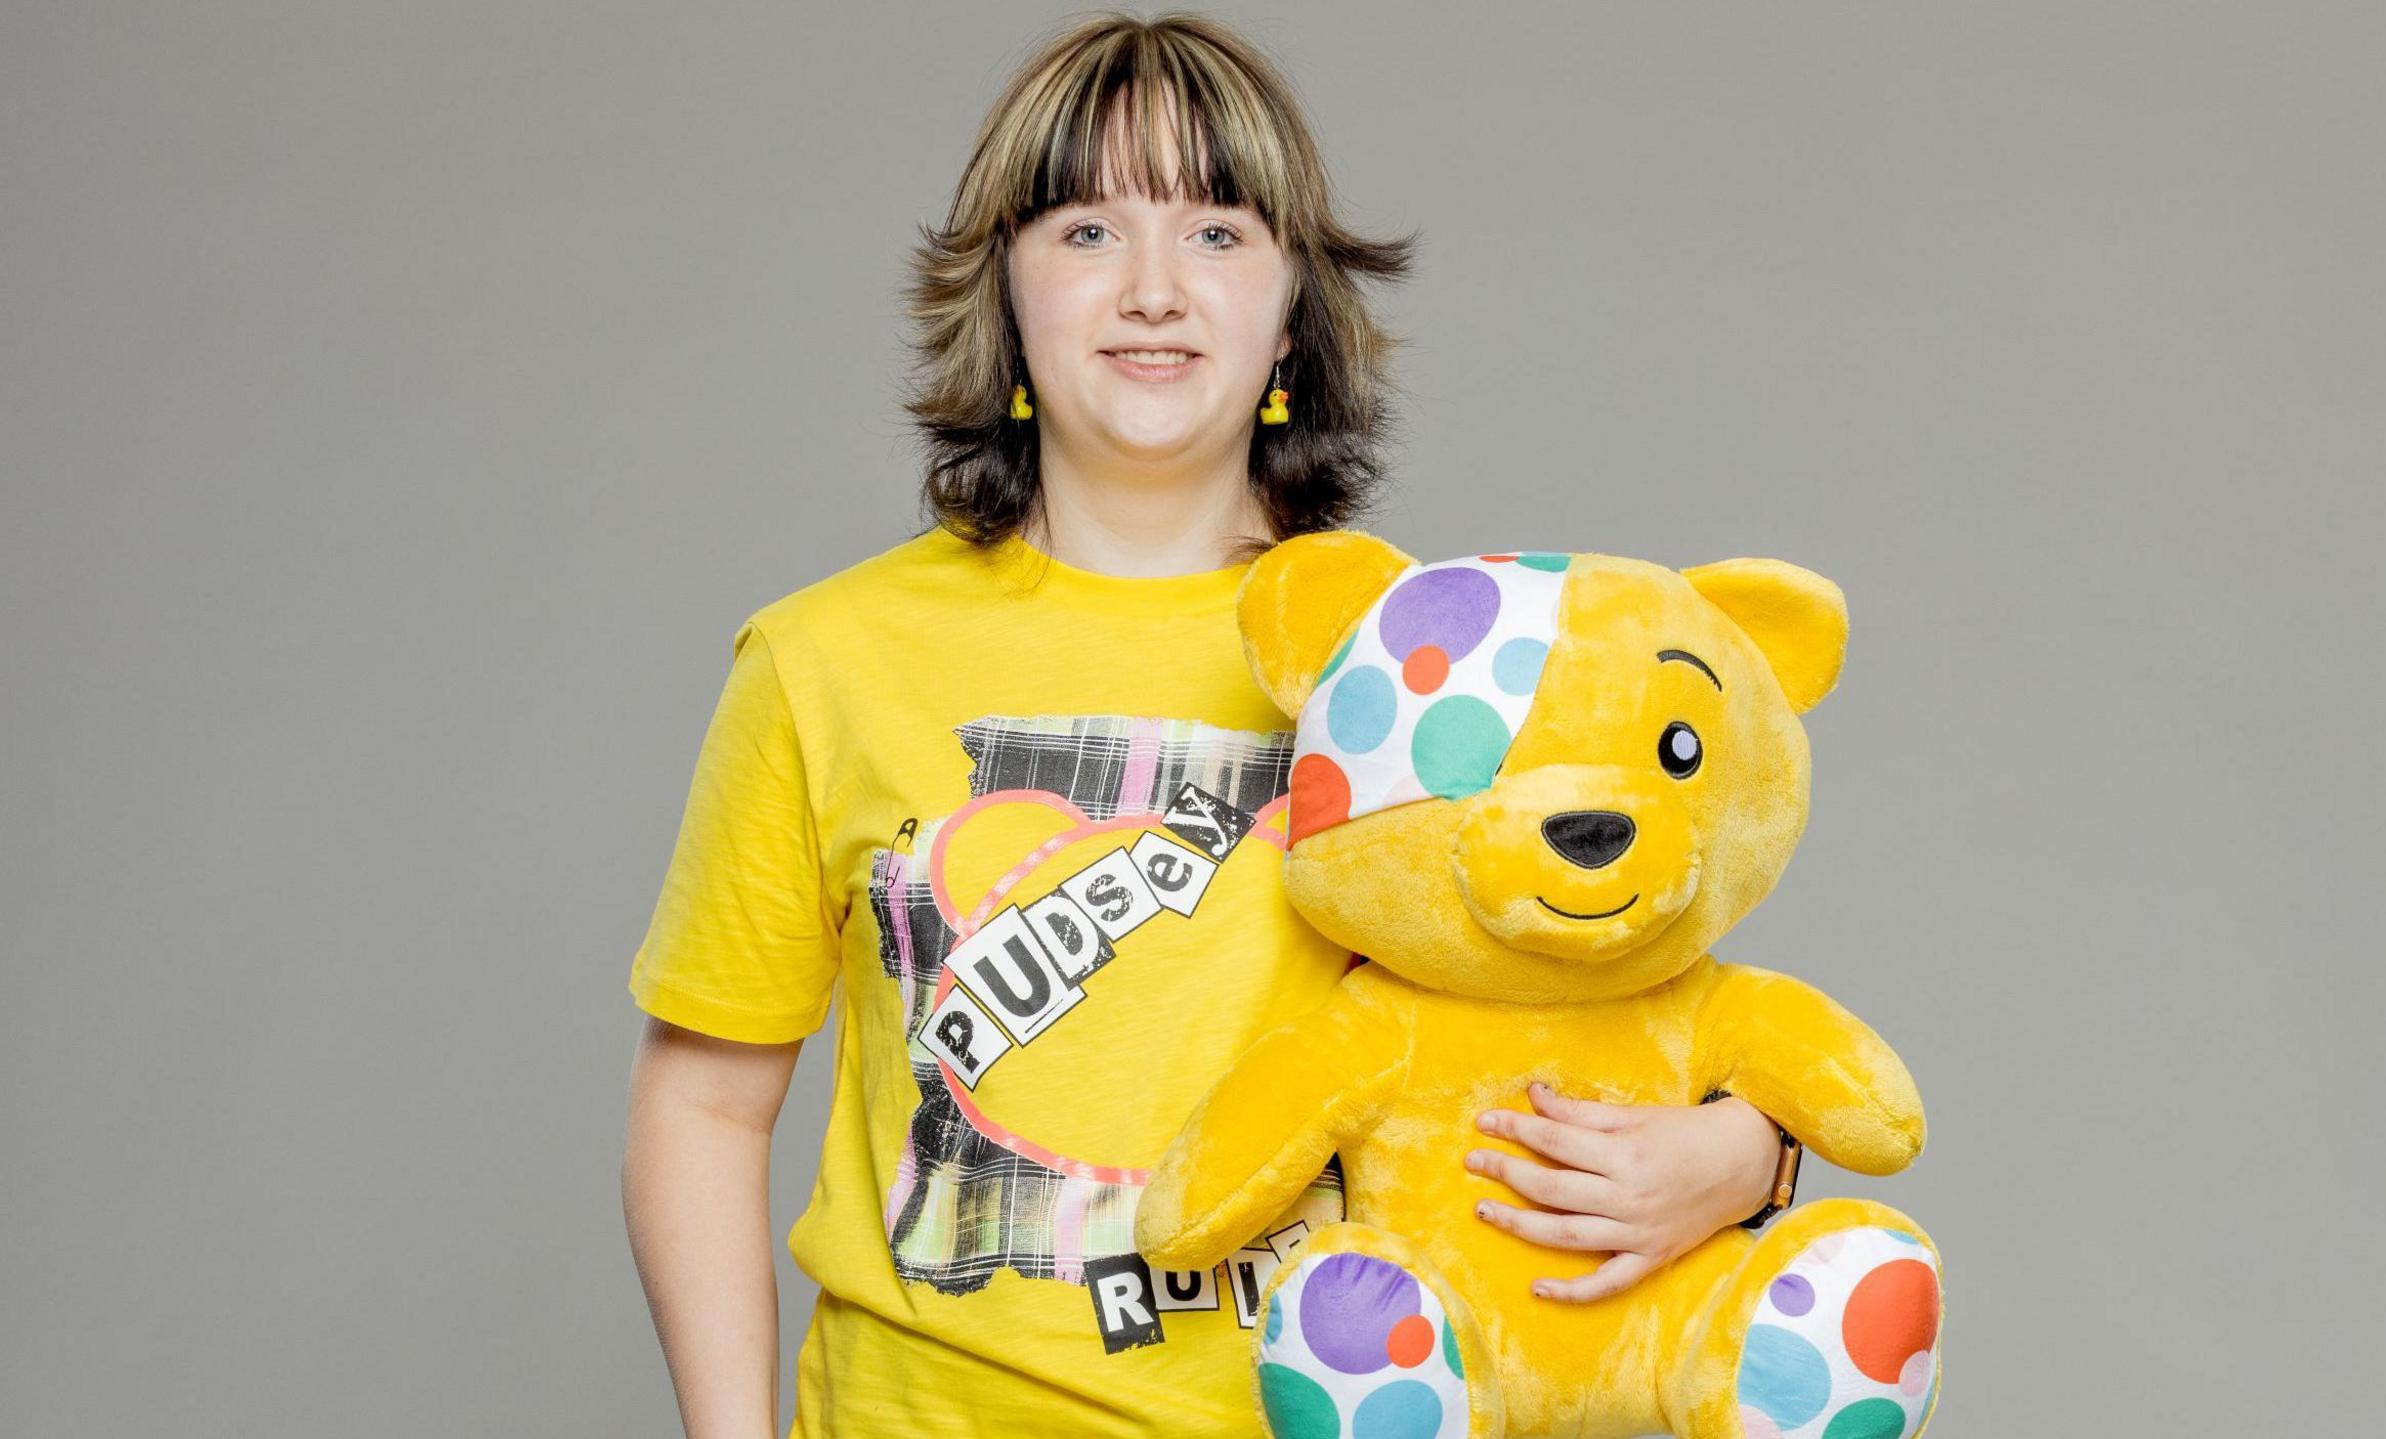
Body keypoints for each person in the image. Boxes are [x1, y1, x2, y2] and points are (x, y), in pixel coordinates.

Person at [621, 13, 1790, 1436]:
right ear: (1005, 292)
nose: (1154, 291)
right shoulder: (824, 662)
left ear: (1294, 312)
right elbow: (703, 1109)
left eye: (1218, 233)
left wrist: (1752, 1154)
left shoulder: (1428, 661)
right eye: (1087, 231)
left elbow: (1624, 1001)